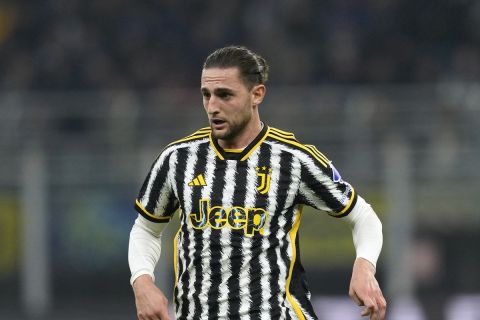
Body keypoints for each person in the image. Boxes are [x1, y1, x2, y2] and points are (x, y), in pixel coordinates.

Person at [128, 45, 386, 320]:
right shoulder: (177, 159)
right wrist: (142, 281)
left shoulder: (293, 160)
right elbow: (146, 228)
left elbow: (363, 216)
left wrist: (364, 267)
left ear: (257, 94)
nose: (213, 106)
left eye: (225, 95)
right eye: (207, 95)